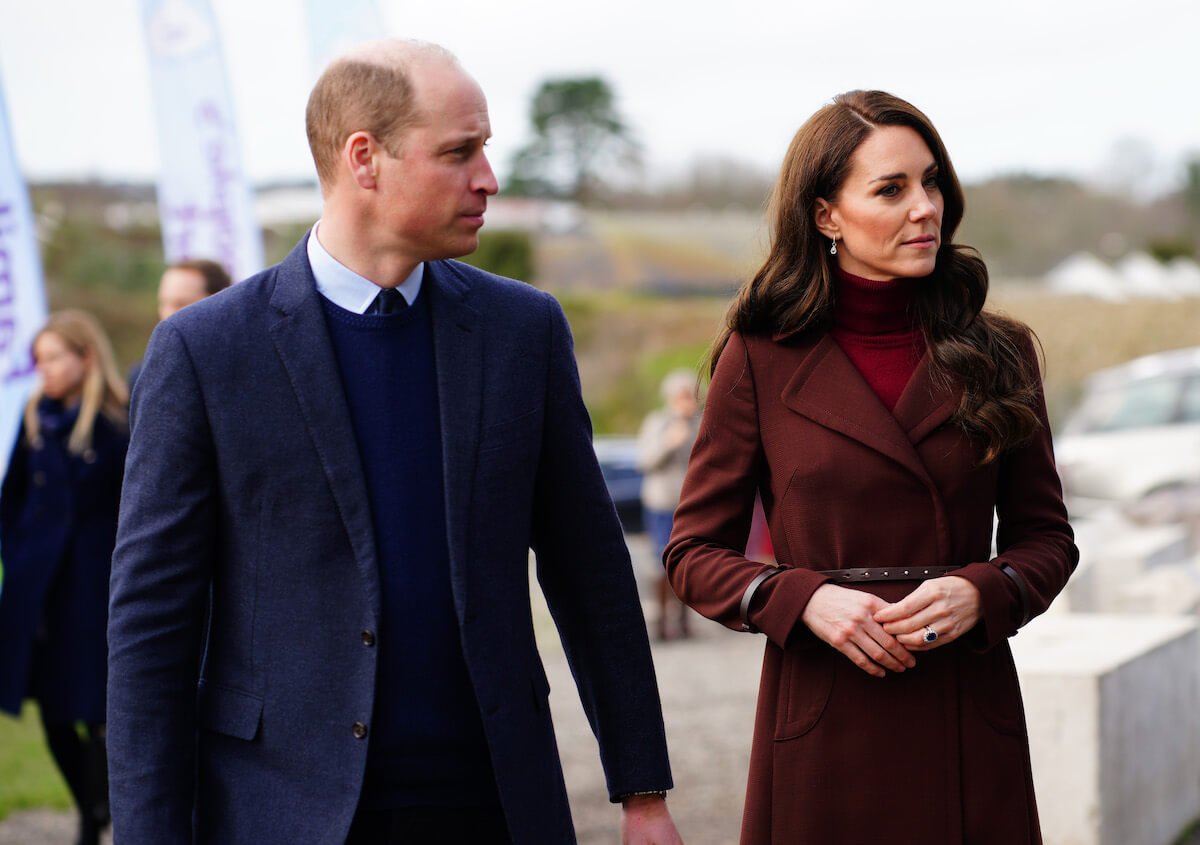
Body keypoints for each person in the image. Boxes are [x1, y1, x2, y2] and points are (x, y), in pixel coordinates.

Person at [107, 40, 681, 845]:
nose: (488, 176)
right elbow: (150, 625)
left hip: (492, 804)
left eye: (485, 147)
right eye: (460, 151)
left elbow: (590, 572)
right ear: (364, 159)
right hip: (278, 812)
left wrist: (643, 789)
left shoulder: (524, 331)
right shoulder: (206, 352)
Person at [664, 90, 1078, 844]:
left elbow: (1048, 539)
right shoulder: (758, 356)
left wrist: (984, 589)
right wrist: (798, 597)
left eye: (931, 182)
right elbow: (692, 554)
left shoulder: (1001, 352)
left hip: (964, 708)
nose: (925, 207)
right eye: (891, 189)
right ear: (826, 215)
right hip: (824, 717)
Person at [0, 310, 129, 845]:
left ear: (85, 357)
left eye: (54, 357)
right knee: (51, 711)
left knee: (97, 711)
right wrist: (22, 555)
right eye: (38, 360)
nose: (44, 370)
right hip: (40, 595)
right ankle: (90, 806)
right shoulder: (35, 421)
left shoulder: (118, 426)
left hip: (94, 592)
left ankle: (98, 814)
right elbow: (11, 502)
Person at [636, 369, 700, 640]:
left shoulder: (701, 423)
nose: (687, 401)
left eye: (691, 395)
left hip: (690, 504)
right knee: (660, 561)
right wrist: (669, 441)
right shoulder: (658, 422)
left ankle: (684, 621)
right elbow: (645, 460)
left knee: (689, 561)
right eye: (682, 396)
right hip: (661, 503)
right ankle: (660, 623)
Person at [127, 258, 232, 389]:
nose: (168, 314)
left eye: (181, 304)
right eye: (164, 302)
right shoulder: (143, 376)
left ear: (218, 302)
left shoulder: (245, 368)